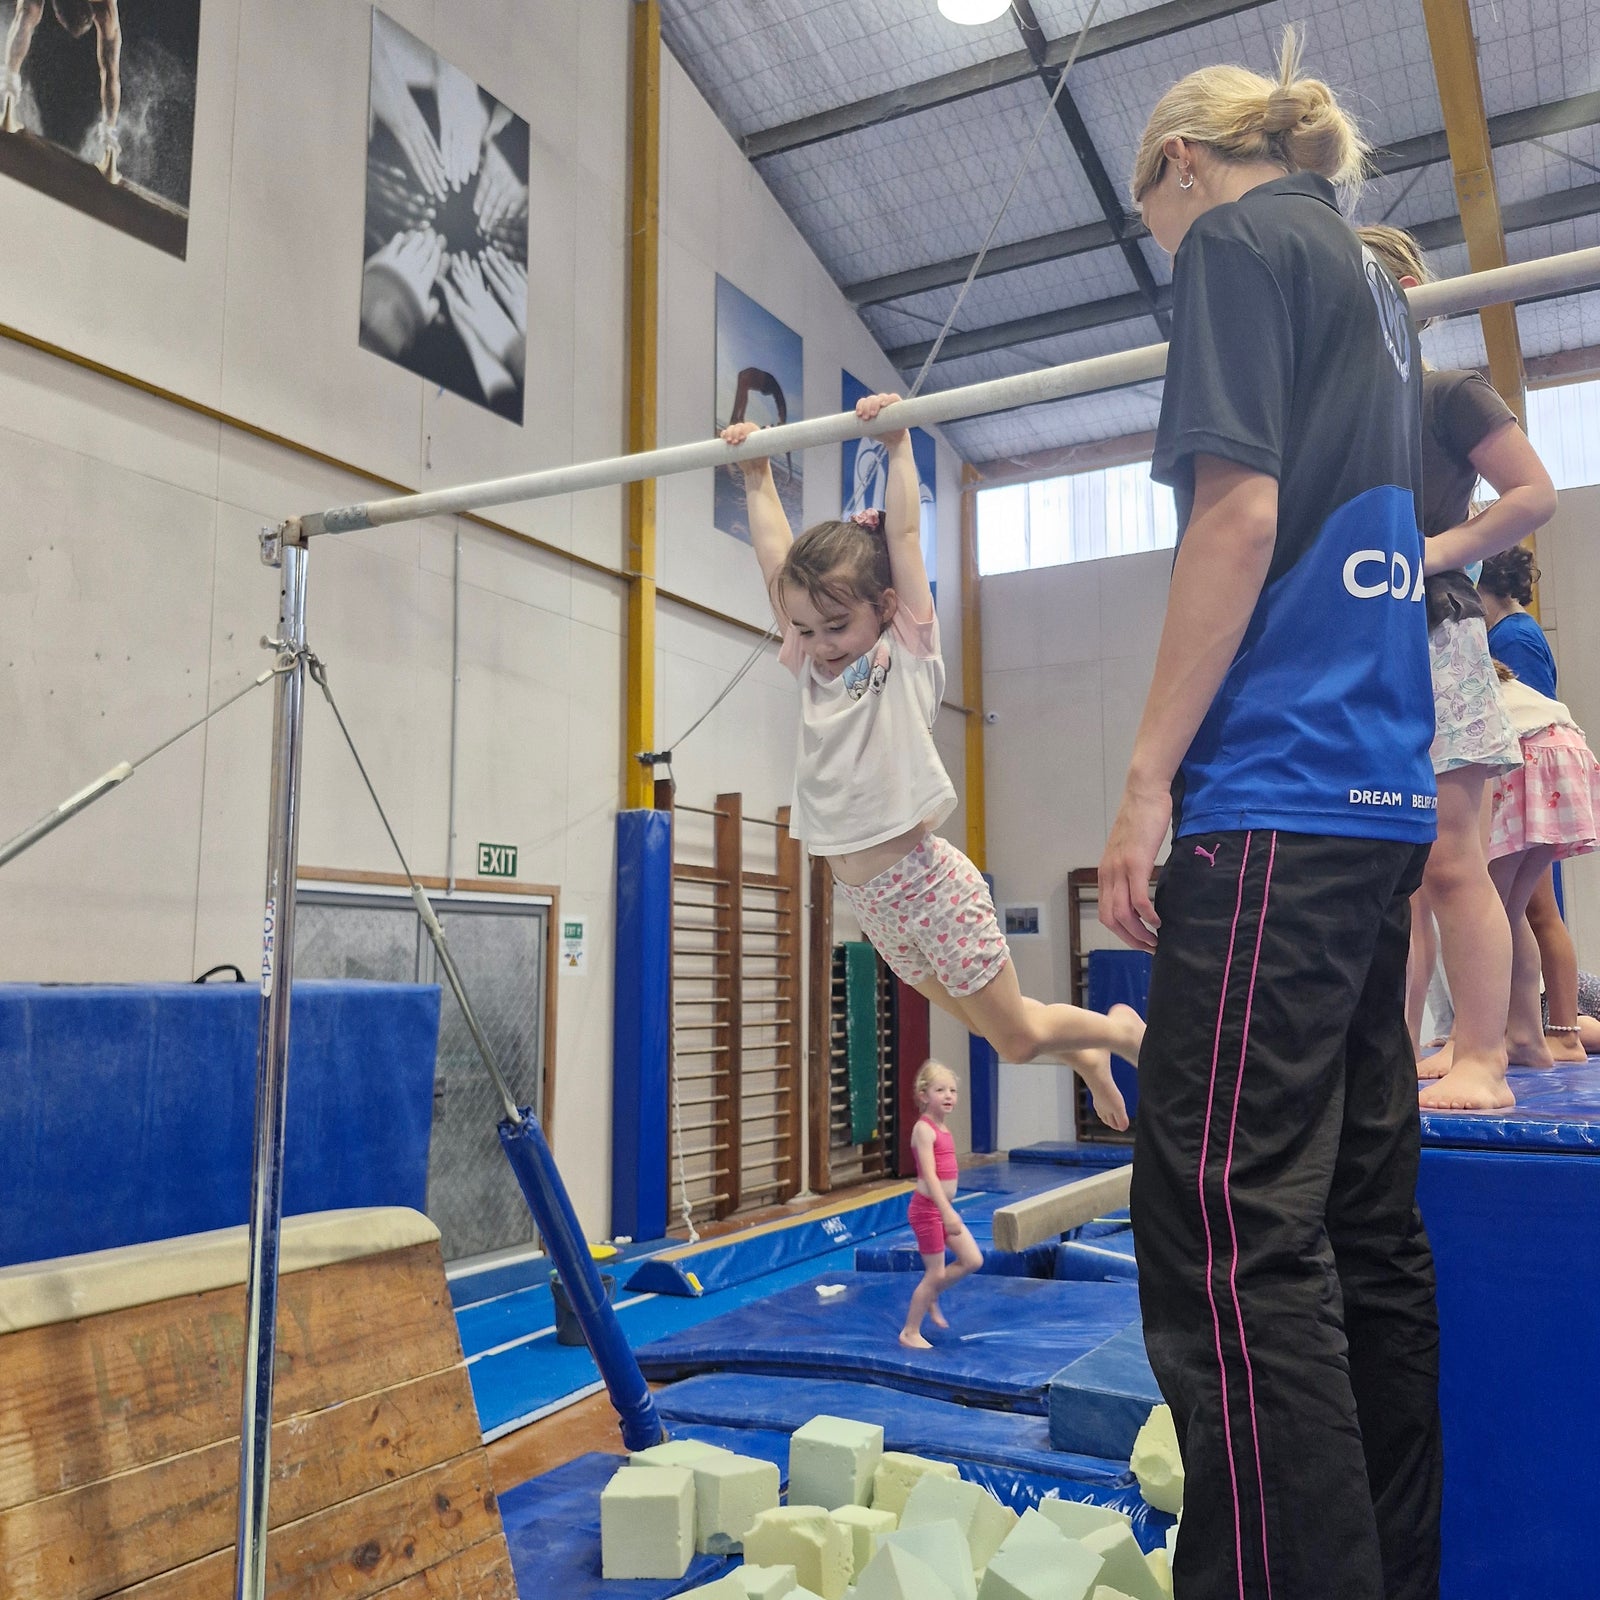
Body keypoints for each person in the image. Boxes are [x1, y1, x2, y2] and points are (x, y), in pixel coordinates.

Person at [1099, 33, 1441, 1600]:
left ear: (1179, 168)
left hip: (1279, 792)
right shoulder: (1371, 278)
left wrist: (1146, 775)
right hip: (1381, 801)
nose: (1162, 248)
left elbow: (1233, 518)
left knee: (1227, 1234)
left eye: (1149, 217)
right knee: (1362, 1230)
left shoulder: (1237, 242)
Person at [721, 392, 1144, 1135]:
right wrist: (757, 476)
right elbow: (774, 562)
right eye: (807, 629)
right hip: (874, 905)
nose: (821, 644)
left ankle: (1117, 1036)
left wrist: (898, 443)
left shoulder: (904, 654)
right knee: (1001, 1029)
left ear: (885, 607)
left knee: (1012, 1039)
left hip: (925, 884)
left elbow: (907, 538)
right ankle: (1086, 1050)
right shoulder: (813, 670)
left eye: (838, 626)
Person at [1358, 226, 1559, 1109]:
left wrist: (1439, 549)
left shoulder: (1446, 394)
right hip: (1362, 653)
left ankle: (1483, 1054)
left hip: (1437, 641)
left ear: (1401, 291)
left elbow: (1533, 493)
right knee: (1397, 880)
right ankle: (1399, 1045)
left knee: (1452, 863)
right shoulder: (1341, 421)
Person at [1479, 546, 1585, 1063]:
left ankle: (1562, 1029)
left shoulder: (1513, 637)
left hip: (1529, 775)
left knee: (1534, 911)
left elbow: (1527, 718)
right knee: (1523, 910)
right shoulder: (1514, 631)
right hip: (1540, 773)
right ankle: (1536, 1030)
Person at [1474, 660, 1600, 1090]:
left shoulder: (1448, 674)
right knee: (1510, 912)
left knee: (1481, 907)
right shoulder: (1500, 677)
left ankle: (1471, 1038)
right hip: (1565, 751)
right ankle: (1535, 1035)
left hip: (1528, 754)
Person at [899, 1060, 982, 1349]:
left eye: (952, 1090)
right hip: (927, 1210)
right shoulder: (924, 1130)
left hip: (942, 1209)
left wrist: (947, 1209)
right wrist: (946, 1212)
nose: (948, 1096)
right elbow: (929, 1174)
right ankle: (910, 1331)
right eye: (940, 1090)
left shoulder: (943, 1128)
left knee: (973, 1260)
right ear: (923, 1095)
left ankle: (932, 1293)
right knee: (934, 1272)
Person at [2, 0, 122, 182]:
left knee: (27, 13)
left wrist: (9, 92)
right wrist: (109, 137)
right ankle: (8, 98)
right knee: (27, 13)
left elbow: (23, 20)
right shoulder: (105, 7)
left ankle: (8, 99)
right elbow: (110, 71)